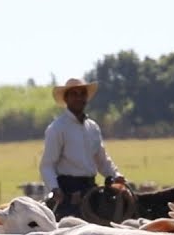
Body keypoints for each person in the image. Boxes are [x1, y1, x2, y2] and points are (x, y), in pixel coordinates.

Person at [39, 77, 125, 211]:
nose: (79, 98)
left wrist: (116, 175)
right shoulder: (57, 128)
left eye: (82, 94)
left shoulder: (93, 127)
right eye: (74, 94)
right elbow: (47, 165)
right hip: (67, 194)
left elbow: (102, 161)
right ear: (66, 99)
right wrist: (54, 189)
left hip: (92, 191)